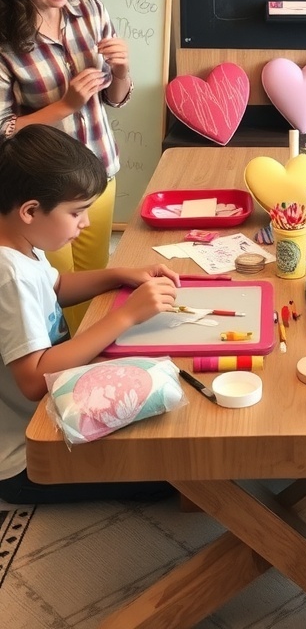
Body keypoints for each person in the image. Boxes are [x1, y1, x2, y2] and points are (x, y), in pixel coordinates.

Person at [0, 124, 180, 504]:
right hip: (26, 458)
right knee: (178, 472)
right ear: (31, 211)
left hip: (48, 415)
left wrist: (117, 274)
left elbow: (55, 287)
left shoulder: (18, 243)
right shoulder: (8, 276)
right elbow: (34, 381)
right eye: (77, 212)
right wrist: (124, 317)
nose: (85, 223)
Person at [0, 0, 133, 329]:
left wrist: (123, 70)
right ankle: (62, 372)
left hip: (99, 172)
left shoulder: (89, 11)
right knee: (52, 299)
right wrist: (65, 105)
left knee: (93, 285)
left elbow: (115, 96)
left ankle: (88, 368)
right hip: (46, 193)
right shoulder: (6, 41)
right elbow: (3, 129)